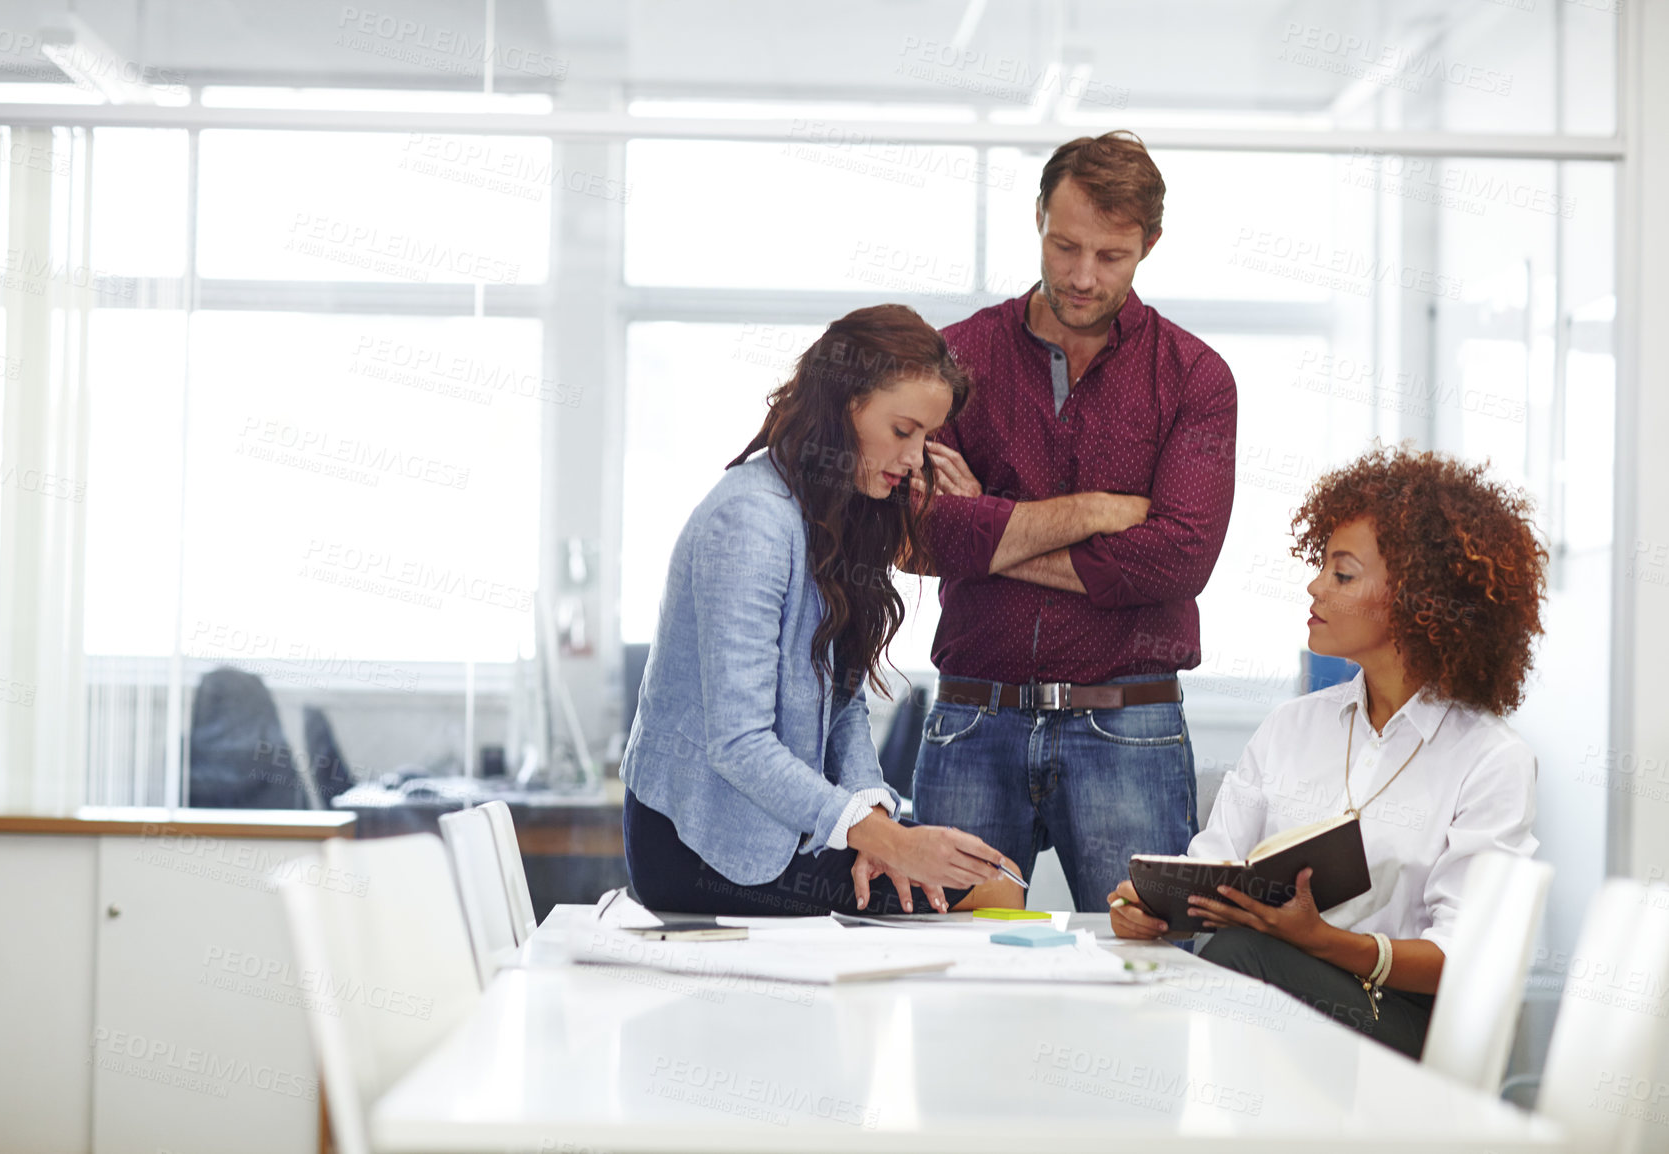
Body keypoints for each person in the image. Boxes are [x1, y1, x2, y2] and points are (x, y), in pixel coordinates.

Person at [1109, 448, 1549, 1059]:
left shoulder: (1490, 758)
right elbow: (1215, 867)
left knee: (1238, 958)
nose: (1315, 585)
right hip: (1279, 992)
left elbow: (1465, 959)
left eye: (1342, 575)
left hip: (1396, 1020)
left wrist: (1321, 942)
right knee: (1194, 965)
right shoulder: (1294, 726)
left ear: (1417, 600)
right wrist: (1154, 909)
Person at [912, 131, 1238, 911]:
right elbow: (918, 537)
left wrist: (983, 530)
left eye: (1111, 255)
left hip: (1130, 726)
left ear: (1149, 245)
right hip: (972, 717)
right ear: (1036, 220)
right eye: (1065, 247)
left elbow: (1177, 562)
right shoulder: (954, 360)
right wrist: (1094, 515)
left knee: (1149, 977)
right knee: (946, 976)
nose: (1083, 276)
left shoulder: (1196, 377)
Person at [620, 304, 1026, 918]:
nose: (916, 459)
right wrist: (884, 840)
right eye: (902, 431)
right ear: (845, 407)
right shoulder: (750, 522)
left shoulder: (831, 517)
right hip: (703, 846)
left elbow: (842, 704)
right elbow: (739, 744)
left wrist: (875, 818)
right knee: (995, 885)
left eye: (926, 438)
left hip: (782, 828)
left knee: (1000, 874)